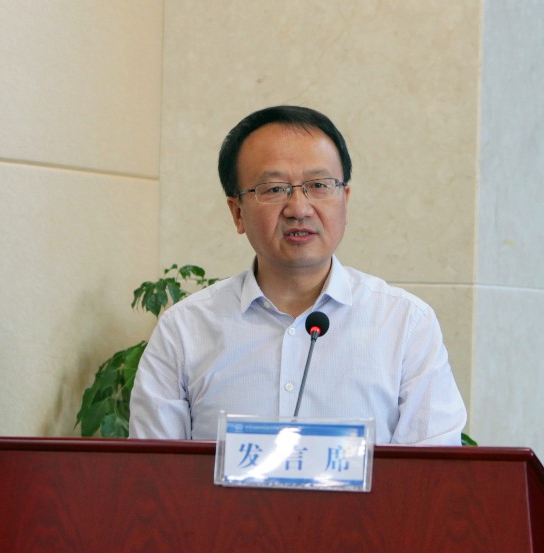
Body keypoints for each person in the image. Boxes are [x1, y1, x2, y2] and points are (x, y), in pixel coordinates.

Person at [129, 105, 466, 445]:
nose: (299, 209)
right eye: (274, 189)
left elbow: (430, 470)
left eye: (319, 185)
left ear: (345, 200)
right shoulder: (184, 330)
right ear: (237, 212)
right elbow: (153, 472)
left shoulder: (405, 324)